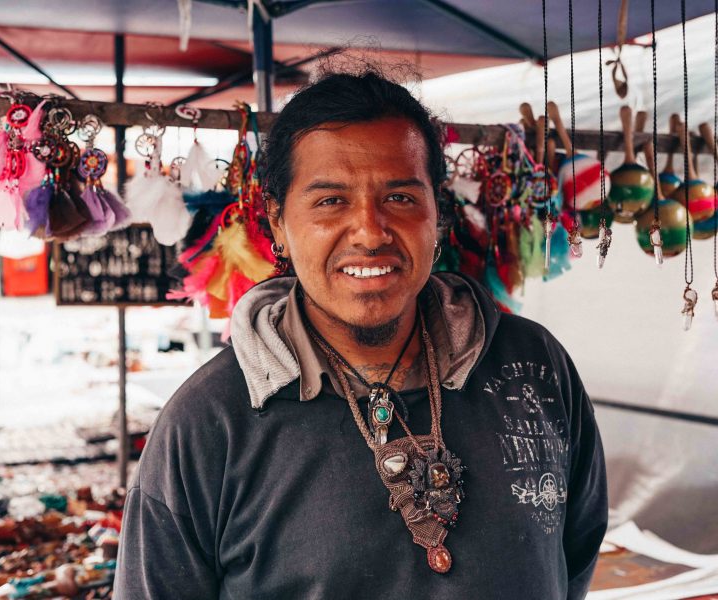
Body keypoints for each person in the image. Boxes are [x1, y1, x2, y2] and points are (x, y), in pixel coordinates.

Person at [116, 69, 607, 599]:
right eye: (331, 201)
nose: (371, 232)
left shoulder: (532, 366)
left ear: (437, 214)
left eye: (399, 197)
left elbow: (572, 557)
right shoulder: (209, 421)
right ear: (278, 222)